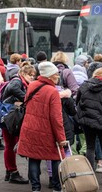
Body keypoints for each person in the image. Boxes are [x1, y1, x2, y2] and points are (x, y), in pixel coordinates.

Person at [17, 61, 67, 192]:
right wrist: (61, 138)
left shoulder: (32, 85)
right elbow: (56, 118)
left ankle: (35, 188)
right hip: (47, 131)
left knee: (34, 157)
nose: (58, 77)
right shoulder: (53, 92)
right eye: (56, 74)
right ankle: (57, 187)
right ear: (50, 76)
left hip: (30, 128)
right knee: (56, 157)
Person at [1, 62, 36, 184]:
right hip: (10, 117)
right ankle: (13, 172)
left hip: (8, 116)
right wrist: (26, 98)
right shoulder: (17, 81)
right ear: (23, 73)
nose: (32, 77)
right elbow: (12, 89)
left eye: (33, 75)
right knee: (11, 144)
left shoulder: (19, 81)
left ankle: (9, 171)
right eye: (30, 75)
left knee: (10, 144)